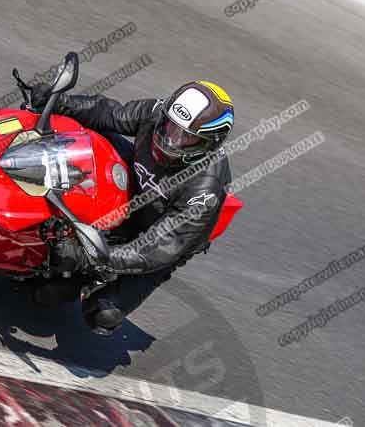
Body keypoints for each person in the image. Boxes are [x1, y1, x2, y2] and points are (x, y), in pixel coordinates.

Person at [30, 80, 234, 335]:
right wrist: (59, 102)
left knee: (101, 313)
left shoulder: (204, 190)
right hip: (132, 194)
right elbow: (108, 113)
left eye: (186, 139)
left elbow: (152, 250)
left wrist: (88, 257)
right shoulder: (155, 113)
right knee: (87, 134)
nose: (171, 141)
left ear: (208, 144)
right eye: (171, 128)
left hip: (158, 239)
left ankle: (86, 283)